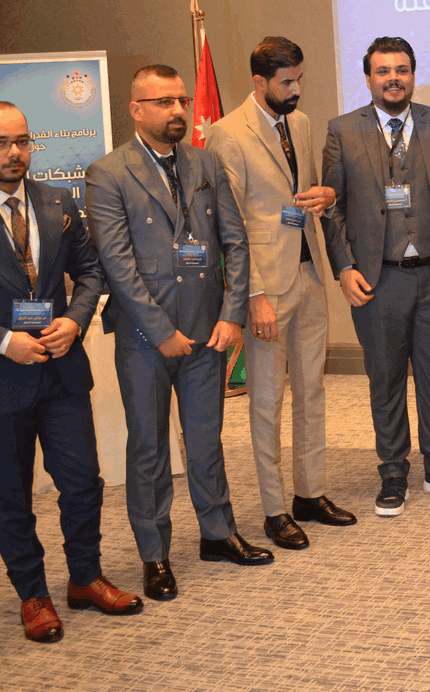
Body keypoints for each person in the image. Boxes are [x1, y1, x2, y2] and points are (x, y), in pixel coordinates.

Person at [0, 102, 142, 642]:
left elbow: (90, 271)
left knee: (82, 483)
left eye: (22, 140)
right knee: (10, 495)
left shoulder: (57, 201)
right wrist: (2, 341)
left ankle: (85, 578)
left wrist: (76, 320)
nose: (14, 152)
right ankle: (32, 595)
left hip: (62, 371)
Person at [87, 65, 269, 603]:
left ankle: (217, 532)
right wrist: (160, 330)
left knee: (207, 439)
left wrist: (232, 314)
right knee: (149, 448)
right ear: (136, 110)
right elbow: (117, 264)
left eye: (182, 101)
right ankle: (155, 553)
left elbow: (235, 242)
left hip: (208, 332)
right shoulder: (107, 173)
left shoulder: (205, 162)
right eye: (163, 102)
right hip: (146, 338)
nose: (177, 111)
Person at [205, 37, 356, 550]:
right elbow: (230, 224)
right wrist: (252, 294)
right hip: (265, 287)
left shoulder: (302, 122)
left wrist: (325, 195)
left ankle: (309, 494)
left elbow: (301, 193)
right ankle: (274, 510)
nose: (296, 90)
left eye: (299, 80)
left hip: (309, 274)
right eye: (286, 82)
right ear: (260, 82)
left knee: (312, 391)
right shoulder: (227, 134)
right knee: (267, 401)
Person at [321, 37, 430, 518]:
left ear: (413, 74)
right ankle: (393, 472)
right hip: (377, 279)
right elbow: (333, 207)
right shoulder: (342, 130)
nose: (394, 78)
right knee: (385, 379)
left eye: (402, 69)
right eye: (383, 71)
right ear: (368, 78)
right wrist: (344, 267)